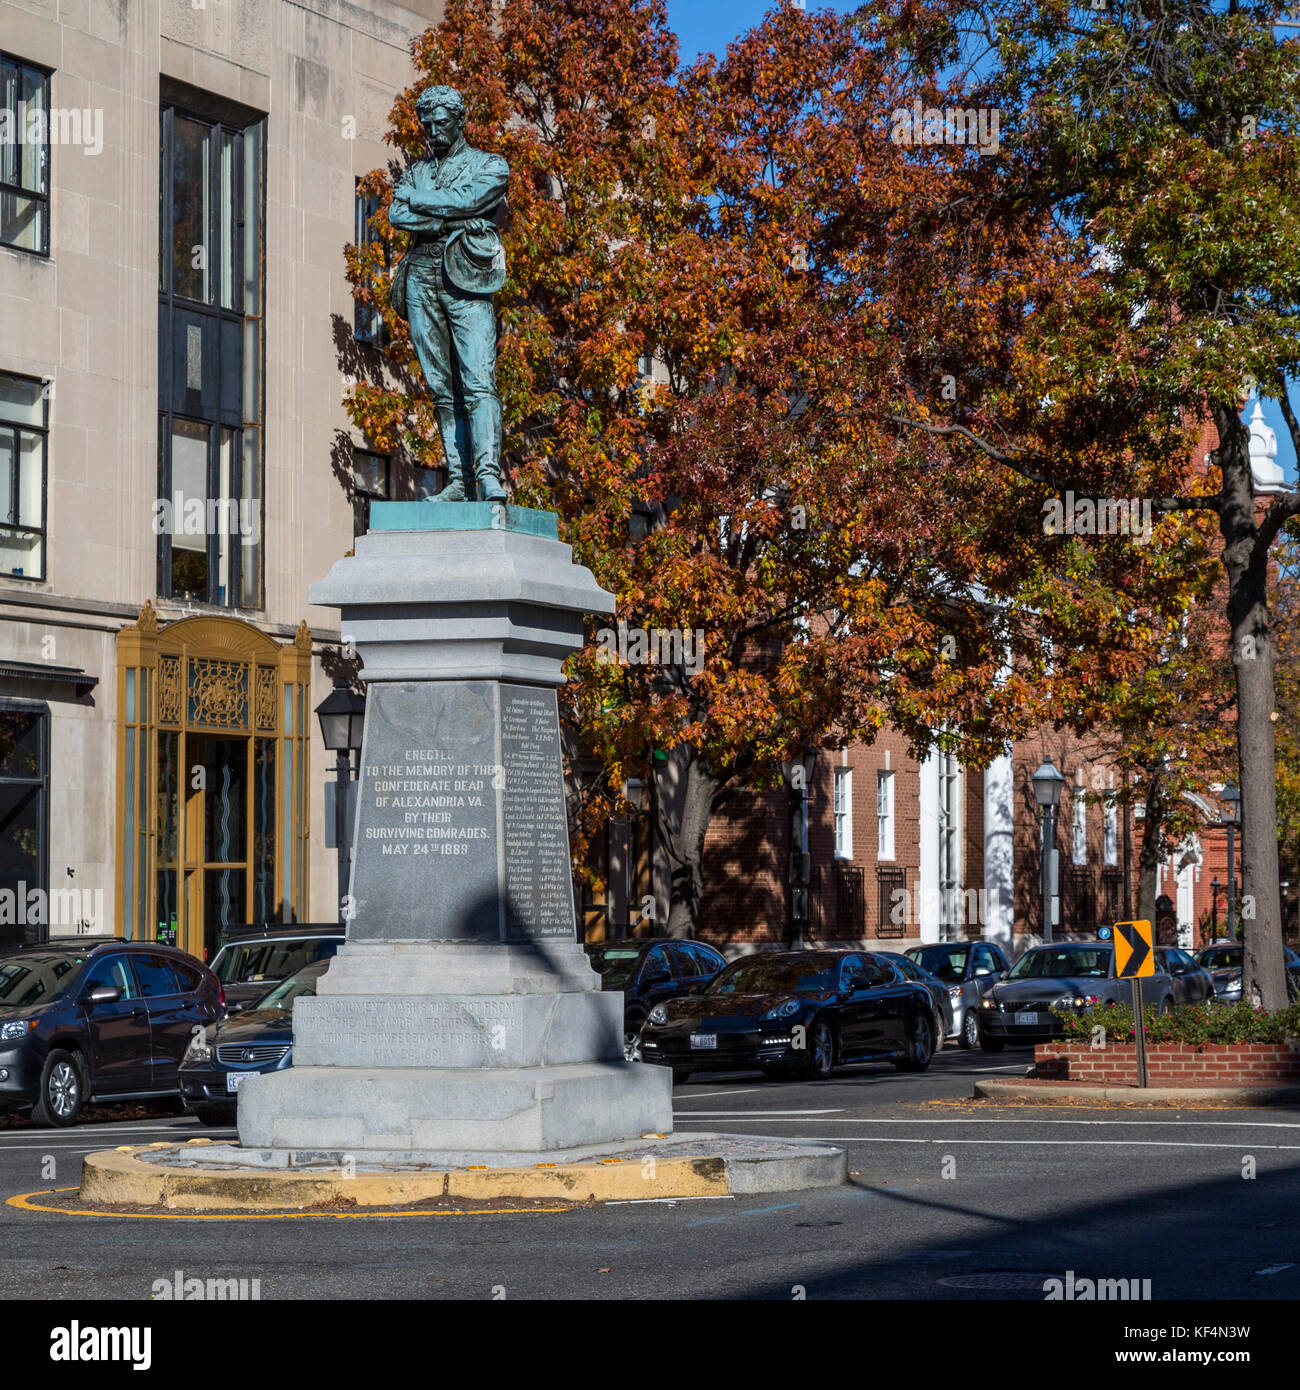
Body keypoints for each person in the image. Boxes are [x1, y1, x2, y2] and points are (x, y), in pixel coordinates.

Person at [388, 85, 509, 502]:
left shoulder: (489, 165)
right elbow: (396, 214)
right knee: (442, 388)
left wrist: (424, 204)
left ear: (460, 121)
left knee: (479, 380)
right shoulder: (417, 171)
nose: (435, 132)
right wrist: (449, 219)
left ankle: (489, 473)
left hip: (467, 280)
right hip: (421, 278)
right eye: (428, 125)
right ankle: (460, 480)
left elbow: (474, 197)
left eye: (443, 123)